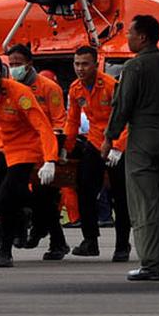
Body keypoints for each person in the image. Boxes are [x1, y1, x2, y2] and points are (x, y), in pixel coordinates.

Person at [103, 15, 159, 281]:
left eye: (130, 33)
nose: (127, 37)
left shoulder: (134, 67)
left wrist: (110, 137)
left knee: (144, 203)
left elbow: (123, 106)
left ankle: (151, 263)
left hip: (143, 138)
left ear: (142, 37)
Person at [0, 53, 59, 268]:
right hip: (0, 147)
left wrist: (50, 159)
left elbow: (42, 126)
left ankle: (5, 251)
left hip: (25, 149)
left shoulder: (20, 94)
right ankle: (30, 214)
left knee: (6, 198)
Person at [64, 46, 131, 261]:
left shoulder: (111, 86)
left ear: (95, 64)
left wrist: (119, 147)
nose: (80, 69)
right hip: (94, 143)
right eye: (77, 64)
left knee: (120, 196)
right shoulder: (75, 89)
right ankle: (90, 240)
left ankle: (122, 245)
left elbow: (127, 119)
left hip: (116, 143)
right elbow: (72, 121)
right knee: (84, 189)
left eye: (85, 64)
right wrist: (66, 147)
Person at [4, 44, 70, 259]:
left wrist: (57, 152)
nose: (14, 68)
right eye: (11, 64)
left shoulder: (50, 88)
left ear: (29, 63)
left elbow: (59, 121)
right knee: (16, 193)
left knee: (44, 195)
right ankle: (33, 230)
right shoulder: (8, 88)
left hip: (44, 149)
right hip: (17, 149)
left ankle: (53, 239)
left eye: (18, 64)